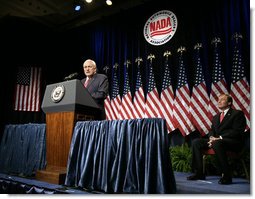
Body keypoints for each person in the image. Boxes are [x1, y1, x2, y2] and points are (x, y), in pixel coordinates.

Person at [187, 93, 246, 184]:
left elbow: (237, 131)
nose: (218, 101)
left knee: (217, 143)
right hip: (216, 141)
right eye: (218, 99)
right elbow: (212, 131)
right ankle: (199, 173)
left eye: (222, 99)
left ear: (229, 103)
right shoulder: (216, 117)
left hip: (233, 142)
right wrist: (211, 138)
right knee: (196, 142)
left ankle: (226, 176)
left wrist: (219, 138)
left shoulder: (237, 114)